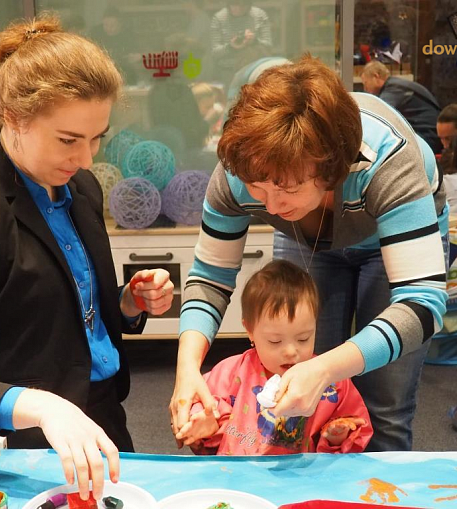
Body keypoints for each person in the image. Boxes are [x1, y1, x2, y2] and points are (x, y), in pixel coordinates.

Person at [170, 56, 448, 453]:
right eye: (258, 188)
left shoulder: (388, 160)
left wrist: (325, 368)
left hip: (392, 240)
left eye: (287, 188)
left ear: (331, 169)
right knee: (300, 399)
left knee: (385, 405)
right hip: (313, 239)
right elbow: (209, 278)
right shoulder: (238, 173)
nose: (271, 205)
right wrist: (187, 371)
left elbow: (421, 305)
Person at [0, 14, 174, 501]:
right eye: (69, 140)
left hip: (101, 413)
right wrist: (40, 407)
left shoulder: (80, 185)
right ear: (13, 116)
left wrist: (126, 303)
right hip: (23, 446)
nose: (88, 159)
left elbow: (54, 304)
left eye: (98, 138)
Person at [176, 260, 373, 455]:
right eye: (275, 341)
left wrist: (337, 435)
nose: (290, 351)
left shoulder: (331, 381)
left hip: (301, 480)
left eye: (303, 338)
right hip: (238, 475)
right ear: (250, 331)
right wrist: (204, 423)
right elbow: (202, 407)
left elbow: (353, 426)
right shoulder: (231, 373)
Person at [360, 60, 442, 154]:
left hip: (428, 136)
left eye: (365, 83)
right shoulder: (396, 85)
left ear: (376, 76)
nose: (365, 89)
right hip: (427, 133)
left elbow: (378, 114)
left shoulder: (394, 89)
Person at [210, 0, 272, 86]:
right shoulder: (219, 18)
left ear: (249, 3)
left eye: (244, 4)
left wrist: (255, 41)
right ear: (228, 3)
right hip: (228, 71)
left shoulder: (259, 15)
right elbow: (215, 53)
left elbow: (268, 48)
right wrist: (231, 47)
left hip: (254, 69)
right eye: (235, 3)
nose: (239, 8)